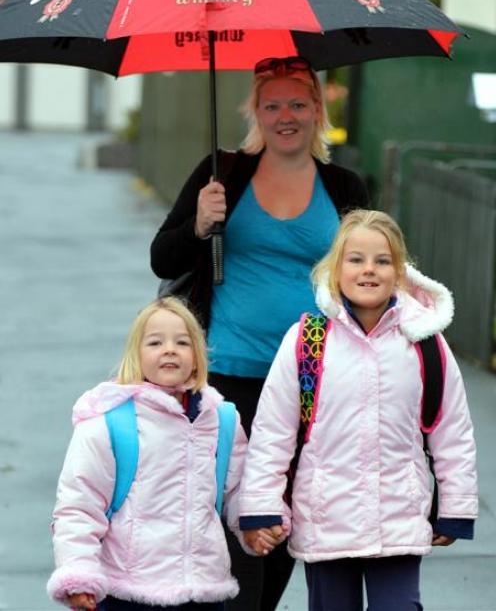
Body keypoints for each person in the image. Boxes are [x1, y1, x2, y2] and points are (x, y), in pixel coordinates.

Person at [150, 56, 369, 611]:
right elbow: (162, 258)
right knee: (239, 516)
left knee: (290, 518)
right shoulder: (223, 173)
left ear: (317, 109)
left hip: (314, 380)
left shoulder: (344, 185)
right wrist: (199, 222)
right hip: (231, 373)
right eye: (272, 104)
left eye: (298, 102)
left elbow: (369, 270)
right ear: (256, 111)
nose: (285, 115)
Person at [239, 209, 478, 611]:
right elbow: (272, 433)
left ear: (400, 271)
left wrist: (455, 507)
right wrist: (261, 507)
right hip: (325, 522)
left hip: (398, 518)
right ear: (335, 269)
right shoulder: (307, 341)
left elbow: (452, 431)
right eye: (356, 259)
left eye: (382, 260)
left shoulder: (424, 344)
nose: (369, 270)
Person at [46, 296, 265, 611]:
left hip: (203, 589)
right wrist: (78, 574)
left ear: (199, 355)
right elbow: (79, 507)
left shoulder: (221, 420)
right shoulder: (108, 423)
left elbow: (239, 491)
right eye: (155, 342)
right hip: (129, 592)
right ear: (136, 354)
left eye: (182, 342)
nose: (169, 349)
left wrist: (254, 523)